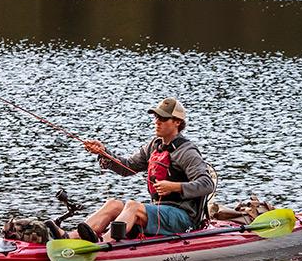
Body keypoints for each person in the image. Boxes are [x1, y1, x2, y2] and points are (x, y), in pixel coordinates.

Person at [69, 97, 215, 242]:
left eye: (163, 119)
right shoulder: (154, 145)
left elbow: (207, 184)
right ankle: (72, 237)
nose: (157, 121)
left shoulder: (187, 151)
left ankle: (104, 243)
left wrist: (175, 187)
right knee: (113, 204)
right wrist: (104, 152)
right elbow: (128, 167)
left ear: (177, 122)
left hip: (183, 217)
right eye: (156, 117)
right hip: (159, 211)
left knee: (133, 206)